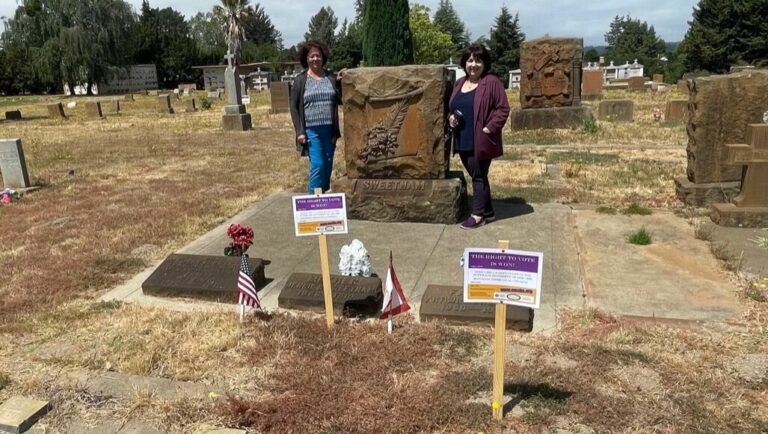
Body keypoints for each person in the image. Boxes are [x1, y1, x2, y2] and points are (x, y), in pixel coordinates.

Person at [448, 43, 510, 229]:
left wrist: (489, 128)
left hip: (480, 139)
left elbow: (503, 108)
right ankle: (488, 211)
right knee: (479, 174)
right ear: (464, 63)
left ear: (484, 63)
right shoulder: (460, 83)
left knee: (478, 176)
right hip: (462, 138)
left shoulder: (491, 82)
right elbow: (452, 106)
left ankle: (477, 215)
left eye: (478, 61)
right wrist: (450, 117)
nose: (473, 64)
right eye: (470, 60)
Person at [290, 40, 344, 194]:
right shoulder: (300, 81)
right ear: (306, 59)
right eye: (312, 56)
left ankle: (323, 199)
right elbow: (293, 107)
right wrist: (299, 131)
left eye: (318, 56)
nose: (315, 59)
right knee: (318, 165)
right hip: (311, 131)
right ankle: (313, 203)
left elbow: (340, 99)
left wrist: (340, 83)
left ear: (323, 57)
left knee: (327, 166)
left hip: (329, 131)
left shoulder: (331, 78)